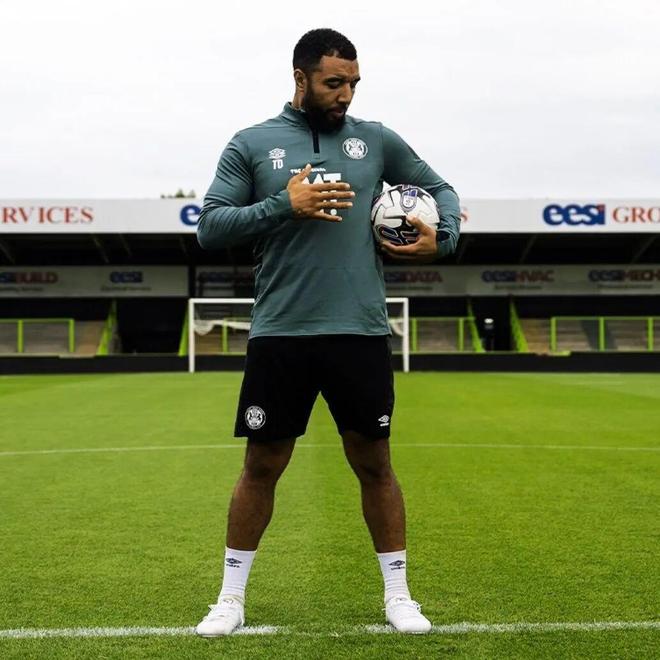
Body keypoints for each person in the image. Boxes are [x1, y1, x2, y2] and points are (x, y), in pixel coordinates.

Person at [195, 28, 460, 636]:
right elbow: (210, 226)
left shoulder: (376, 140)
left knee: (375, 463)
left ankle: (399, 596)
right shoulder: (251, 144)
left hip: (359, 330)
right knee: (262, 464)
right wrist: (283, 205)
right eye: (334, 83)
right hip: (281, 332)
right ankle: (230, 599)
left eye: (353, 84)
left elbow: (441, 189)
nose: (345, 95)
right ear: (301, 78)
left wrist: (442, 238)